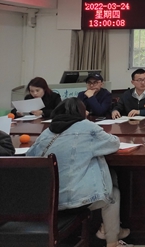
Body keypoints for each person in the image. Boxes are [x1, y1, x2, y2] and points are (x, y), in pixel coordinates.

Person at [27, 98, 131, 247]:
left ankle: (108, 230)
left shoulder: (47, 131)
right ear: (82, 112)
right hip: (76, 200)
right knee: (112, 194)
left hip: (47, 200)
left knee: (111, 174)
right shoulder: (86, 127)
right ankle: (112, 242)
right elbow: (113, 143)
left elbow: (30, 155)